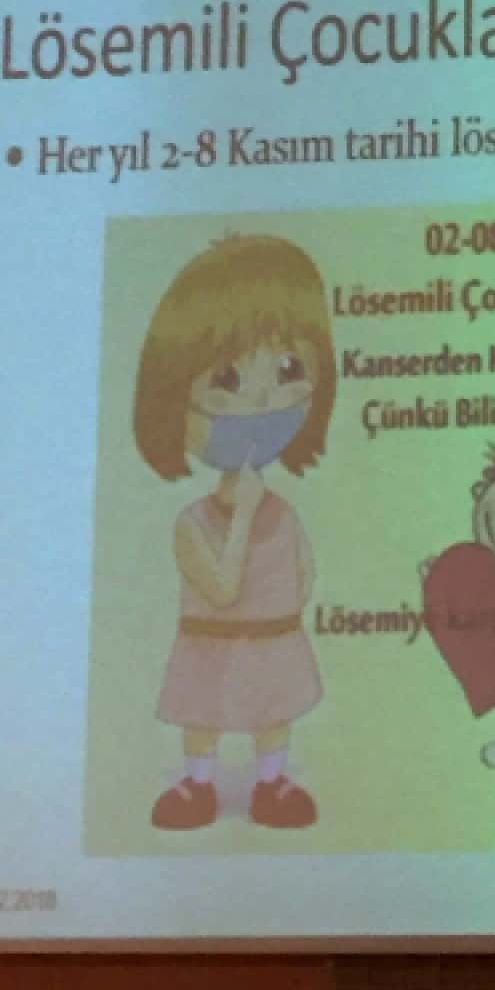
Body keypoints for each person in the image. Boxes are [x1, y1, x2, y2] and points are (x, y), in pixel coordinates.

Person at [133, 234, 336, 830]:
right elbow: (221, 589)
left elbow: (305, 571)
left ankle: (271, 783)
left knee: (274, 714)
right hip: (213, 646)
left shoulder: (285, 514)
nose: (264, 398)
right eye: (227, 378)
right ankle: (198, 786)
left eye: (289, 369)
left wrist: (284, 613)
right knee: (205, 716)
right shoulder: (192, 524)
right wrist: (243, 516)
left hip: (273, 642)